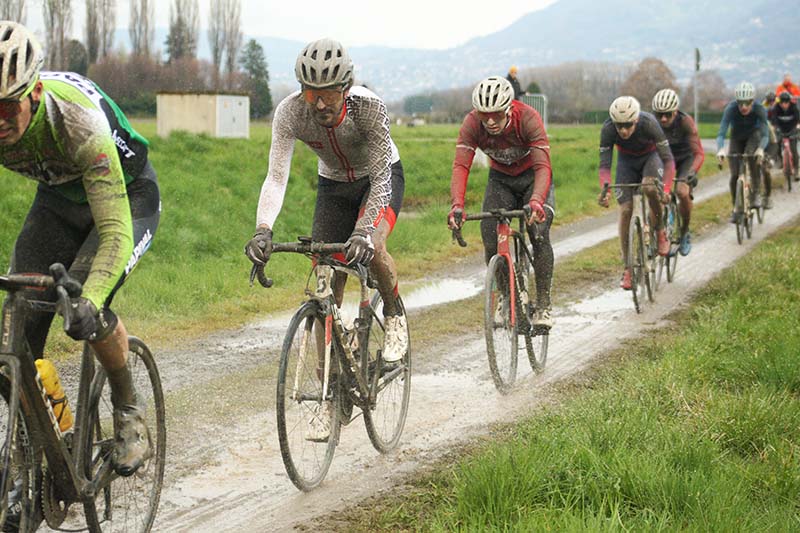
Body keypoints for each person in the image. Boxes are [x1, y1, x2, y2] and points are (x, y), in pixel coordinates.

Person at [0, 19, 159, 499]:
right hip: (57, 200)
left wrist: (89, 298)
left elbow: (114, 232)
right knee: (14, 338)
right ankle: (41, 445)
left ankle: (129, 411)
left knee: (86, 313)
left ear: (33, 94)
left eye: (6, 107)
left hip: (126, 198)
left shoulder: (76, 123)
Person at [244, 38, 407, 439]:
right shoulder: (290, 113)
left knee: (374, 248)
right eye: (310, 92)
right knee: (323, 285)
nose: (319, 103)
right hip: (333, 185)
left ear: (345, 88)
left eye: (329, 93)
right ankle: (331, 391)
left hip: (379, 180)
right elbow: (276, 177)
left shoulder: (369, 108)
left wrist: (363, 232)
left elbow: (382, 179)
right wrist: (263, 229)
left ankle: (394, 313)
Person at [447, 76, 554, 328]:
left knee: (538, 232)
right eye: (484, 116)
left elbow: (542, 166)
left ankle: (543, 304)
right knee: (489, 236)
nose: (490, 121)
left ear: (508, 108)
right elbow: (461, 166)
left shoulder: (527, 118)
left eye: (496, 115)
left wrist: (537, 201)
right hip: (501, 180)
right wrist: (457, 205)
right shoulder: (472, 124)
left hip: (532, 178)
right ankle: (507, 295)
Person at [597, 96, 674, 290]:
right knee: (625, 210)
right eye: (619, 126)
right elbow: (605, 165)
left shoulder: (649, 123)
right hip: (626, 163)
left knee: (649, 187)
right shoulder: (608, 129)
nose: (623, 130)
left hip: (651, 158)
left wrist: (666, 188)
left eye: (628, 125)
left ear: (636, 120)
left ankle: (660, 231)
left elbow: (668, 160)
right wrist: (605, 188)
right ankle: (628, 267)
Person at [652, 89, 704, 256]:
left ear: (675, 111)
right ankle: (657, 235)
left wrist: (692, 172)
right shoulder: (652, 123)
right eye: (659, 115)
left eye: (667, 114)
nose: (663, 119)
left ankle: (684, 232)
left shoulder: (686, 122)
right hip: (664, 159)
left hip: (685, 159)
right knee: (655, 193)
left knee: (682, 192)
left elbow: (699, 153)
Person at [716, 82, 770, 213]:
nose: (743, 107)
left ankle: (756, 194)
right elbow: (721, 133)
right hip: (736, 136)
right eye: (740, 103)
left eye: (747, 103)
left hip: (754, 135)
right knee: (735, 174)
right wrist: (720, 149)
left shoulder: (759, 109)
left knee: (753, 159)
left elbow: (765, 135)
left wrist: (761, 149)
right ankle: (736, 207)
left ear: (752, 101)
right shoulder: (731, 109)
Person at [771, 91, 800, 180]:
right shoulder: (776, 108)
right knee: (776, 145)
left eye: (786, 102)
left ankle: (796, 170)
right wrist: (775, 127)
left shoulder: (794, 108)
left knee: (794, 150)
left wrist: (798, 126)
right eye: (782, 103)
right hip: (781, 130)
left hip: (792, 130)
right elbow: (774, 120)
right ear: (779, 102)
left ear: (789, 102)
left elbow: (798, 119)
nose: (784, 105)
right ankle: (780, 160)